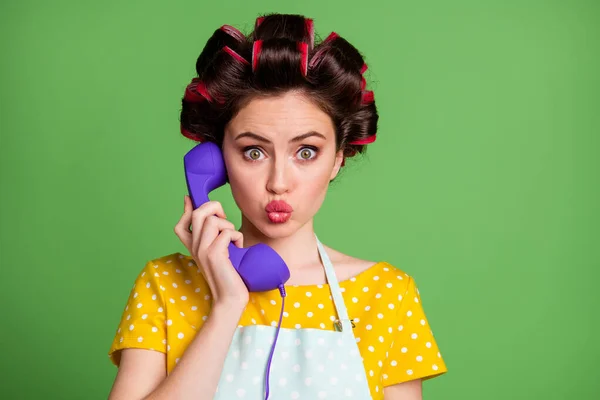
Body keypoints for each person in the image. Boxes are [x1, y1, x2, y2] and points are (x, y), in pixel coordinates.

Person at [107, 13, 447, 400]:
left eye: (306, 151)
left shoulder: (387, 295)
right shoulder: (164, 285)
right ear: (216, 161)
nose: (278, 182)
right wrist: (227, 307)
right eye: (253, 152)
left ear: (337, 158)